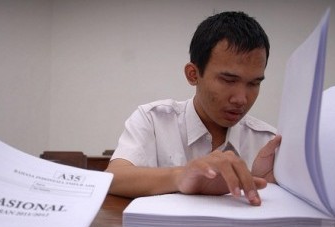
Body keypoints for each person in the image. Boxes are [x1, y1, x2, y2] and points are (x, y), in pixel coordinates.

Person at [106, 11, 282, 206]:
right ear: (193, 74)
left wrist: (268, 188)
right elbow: (113, 178)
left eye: (254, 83)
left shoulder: (268, 142)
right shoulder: (153, 120)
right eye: (228, 80)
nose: (241, 99)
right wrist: (181, 177)